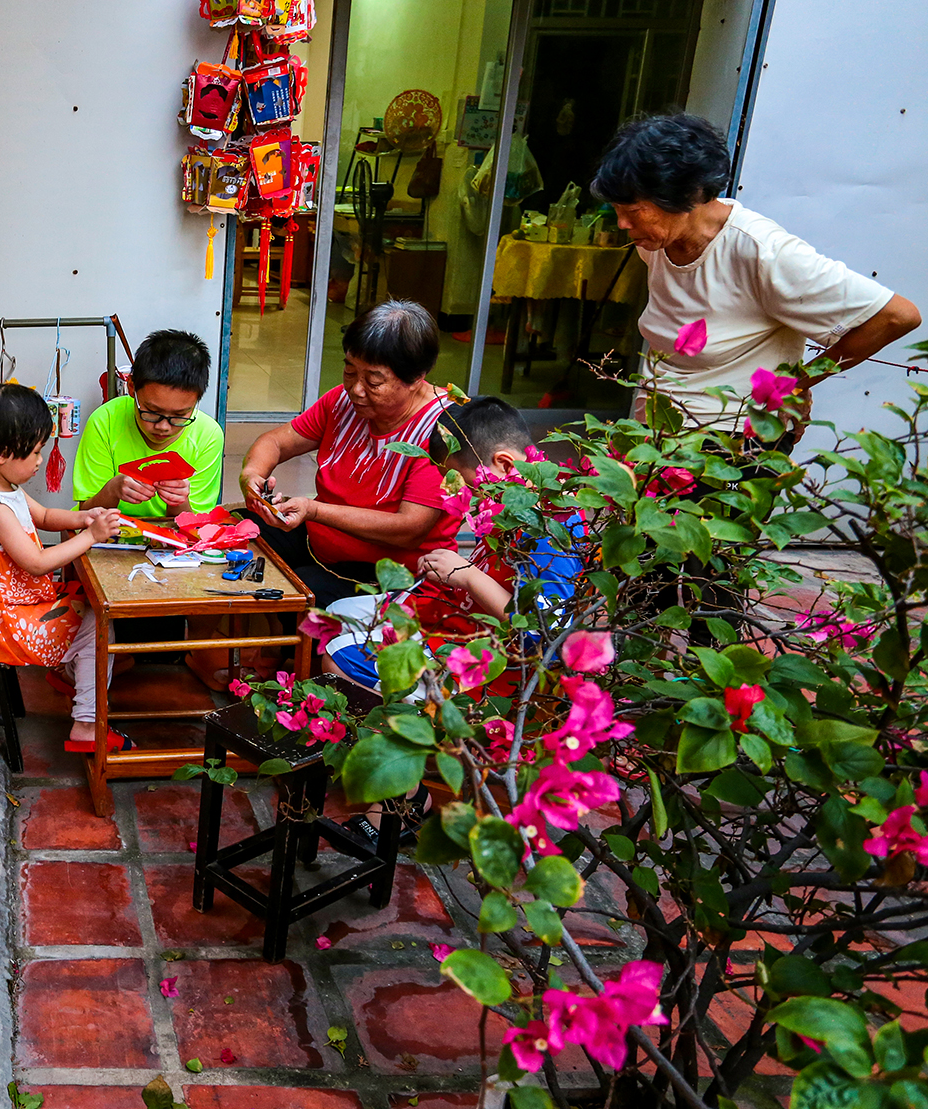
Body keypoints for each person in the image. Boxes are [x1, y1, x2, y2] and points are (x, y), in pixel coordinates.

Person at [592, 113, 921, 433]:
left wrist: (793, 387)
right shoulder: (654, 241)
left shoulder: (764, 251)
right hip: (655, 419)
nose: (623, 224)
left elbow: (896, 316)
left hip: (730, 434)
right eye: (619, 211)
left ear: (684, 196)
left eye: (634, 212)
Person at [319, 397, 586, 692]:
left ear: (504, 464)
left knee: (337, 658)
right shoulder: (514, 501)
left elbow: (545, 632)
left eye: (467, 483)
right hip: (457, 619)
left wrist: (469, 576)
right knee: (333, 616)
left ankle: (420, 726)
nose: (466, 494)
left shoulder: (551, 528)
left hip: (485, 660)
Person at [0, 383, 125, 750]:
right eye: (36, 452)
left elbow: (46, 516)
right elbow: (36, 564)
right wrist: (90, 538)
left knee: (88, 611)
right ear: (4, 453)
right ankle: (86, 724)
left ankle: (73, 675)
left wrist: (86, 517)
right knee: (97, 622)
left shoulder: (6, 486)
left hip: (8, 609)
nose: (40, 460)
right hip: (0, 625)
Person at [241, 299, 458, 609]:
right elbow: (276, 442)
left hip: (395, 573)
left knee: (303, 592)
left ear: (416, 377)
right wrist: (252, 475)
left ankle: (279, 652)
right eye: (349, 370)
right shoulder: (343, 402)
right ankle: (243, 650)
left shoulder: (444, 429)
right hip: (323, 543)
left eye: (373, 380)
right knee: (242, 530)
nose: (356, 389)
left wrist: (314, 510)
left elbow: (408, 529)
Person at [74, 329, 223, 520]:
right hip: (105, 532)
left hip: (171, 539)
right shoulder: (105, 420)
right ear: (131, 387)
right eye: (152, 412)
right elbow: (85, 512)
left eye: (180, 415)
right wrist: (113, 489)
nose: (163, 426)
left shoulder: (208, 435)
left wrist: (179, 501)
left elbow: (194, 527)